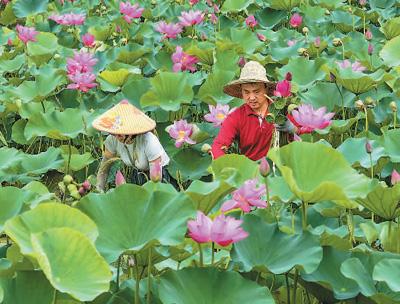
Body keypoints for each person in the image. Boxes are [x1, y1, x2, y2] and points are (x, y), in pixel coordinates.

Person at [92, 100, 173, 191]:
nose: (117, 137)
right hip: (138, 174)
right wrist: (99, 190)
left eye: (121, 133)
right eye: (114, 133)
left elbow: (156, 180)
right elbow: (104, 168)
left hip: (160, 176)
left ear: (131, 130)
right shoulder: (112, 140)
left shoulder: (149, 140)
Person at [211, 61, 276, 161]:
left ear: (266, 89)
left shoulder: (280, 111)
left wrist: (291, 127)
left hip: (281, 169)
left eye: (256, 91)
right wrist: (225, 166)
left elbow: (301, 130)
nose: (252, 97)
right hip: (250, 171)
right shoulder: (236, 117)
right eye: (246, 92)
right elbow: (218, 145)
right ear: (241, 91)